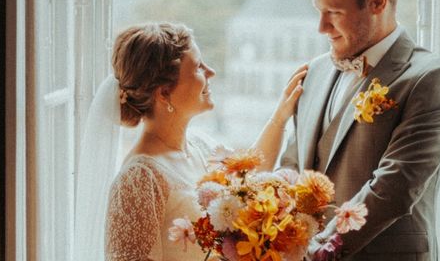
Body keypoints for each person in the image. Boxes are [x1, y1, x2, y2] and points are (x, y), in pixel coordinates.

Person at [279, 0, 440, 261]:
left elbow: (394, 188)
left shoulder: (430, 80)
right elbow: (294, 162)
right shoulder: (316, 71)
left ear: (378, 1)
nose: (321, 27)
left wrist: (318, 252)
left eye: (334, 12)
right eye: (319, 11)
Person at [74, 22, 306, 261]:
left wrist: (280, 117)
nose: (211, 72)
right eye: (198, 68)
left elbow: (247, 185)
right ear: (164, 93)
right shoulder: (139, 179)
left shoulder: (200, 147)